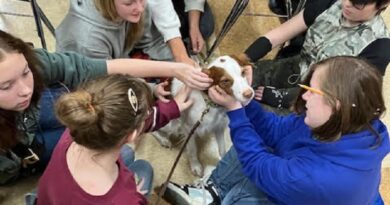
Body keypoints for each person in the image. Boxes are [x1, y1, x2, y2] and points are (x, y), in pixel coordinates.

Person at [163, 56, 390, 205]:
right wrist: (244, 102)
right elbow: (275, 129)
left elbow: (257, 166)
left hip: (309, 188)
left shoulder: (322, 178)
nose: (304, 95)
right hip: (306, 179)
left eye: (312, 90)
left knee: (237, 198)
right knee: (254, 136)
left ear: (336, 103)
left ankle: (219, 197)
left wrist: (234, 111)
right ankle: (211, 193)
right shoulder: (344, 120)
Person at [0, 30, 212, 185]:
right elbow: (115, 127)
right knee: (128, 158)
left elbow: (101, 68)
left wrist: (177, 69)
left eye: (26, 72)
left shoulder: (27, 63)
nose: (25, 90)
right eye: (6, 86)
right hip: (13, 156)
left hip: (26, 127)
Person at [36, 74, 193, 204]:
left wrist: (173, 108)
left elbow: (123, 122)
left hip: (54, 196)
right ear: (132, 135)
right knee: (144, 168)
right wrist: (134, 196)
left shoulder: (76, 129)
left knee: (128, 155)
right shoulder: (127, 200)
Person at [244, 0, 390, 111]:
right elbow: (278, 35)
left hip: (319, 98)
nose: (346, 4)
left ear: (383, 4)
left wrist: (281, 97)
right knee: (233, 78)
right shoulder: (330, 3)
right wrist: (243, 59)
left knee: (257, 122)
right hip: (297, 66)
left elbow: (340, 96)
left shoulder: (378, 46)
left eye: (357, 4)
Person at [56, 0, 195, 65]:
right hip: (92, 84)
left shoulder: (135, 9)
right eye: (129, 3)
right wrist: (151, 88)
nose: (140, 8)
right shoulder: (87, 39)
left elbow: (151, 41)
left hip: (120, 61)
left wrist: (180, 62)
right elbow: (106, 82)